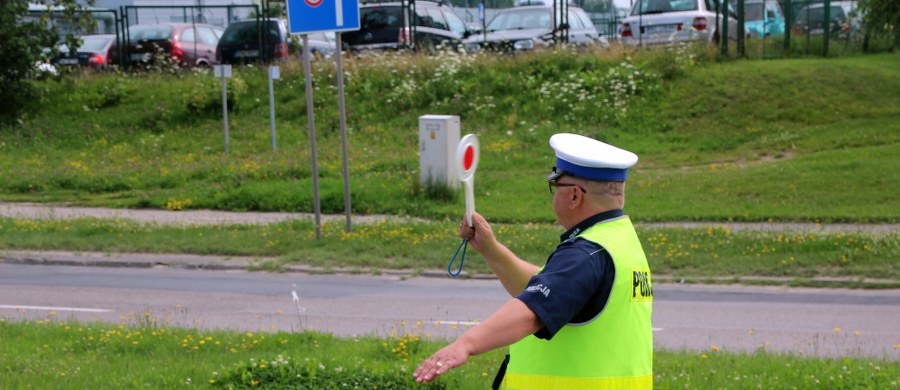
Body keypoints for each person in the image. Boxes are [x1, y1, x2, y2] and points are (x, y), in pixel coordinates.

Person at [414, 133, 654, 389]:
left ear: (574, 196)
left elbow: (534, 309)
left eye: (555, 186)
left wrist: (464, 345)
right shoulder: (619, 242)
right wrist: (492, 251)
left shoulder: (585, 254)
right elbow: (549, 291)